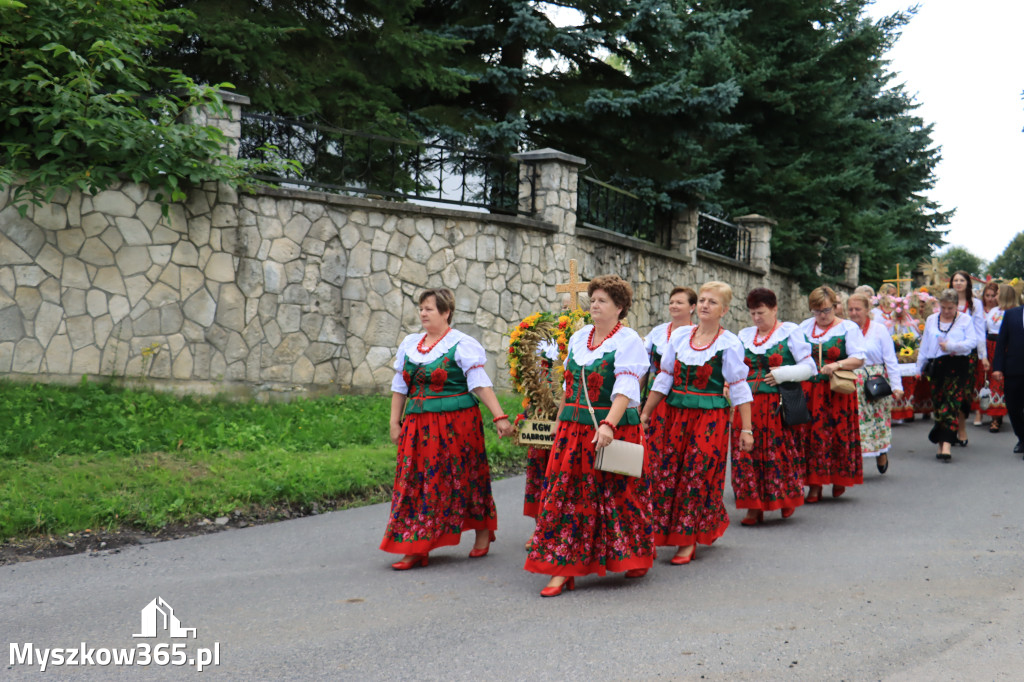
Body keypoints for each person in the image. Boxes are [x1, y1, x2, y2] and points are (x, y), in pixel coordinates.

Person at [525, 275, 654, 597]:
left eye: (602, 301)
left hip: (613, 426)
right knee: (565, 493)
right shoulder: (580, 337)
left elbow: (626, 386)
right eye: (593, 299)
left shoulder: (628, 341)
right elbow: (571, 384)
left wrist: (608, 424)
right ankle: (562, 567)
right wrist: (560, 418)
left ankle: (632, 554)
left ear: (619, 307)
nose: (594, 305)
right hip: (573, 428)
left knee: (620, 494)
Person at [382, 288, 514, 570]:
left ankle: (481, 530)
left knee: (463, 477)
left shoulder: (462, 344)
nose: (423, 313)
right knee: (416, 482)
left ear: (446, 312)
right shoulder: (409, 344)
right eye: (421, 308)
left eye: (429, 308)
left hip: (457, 424)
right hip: (417, 424)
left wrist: (500, 416)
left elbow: (479, 383)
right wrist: (395, 422)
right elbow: (400, 386)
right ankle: (417, 543)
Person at [641, 282, 754, 564]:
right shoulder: (680, 336)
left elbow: (739, 387)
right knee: (666, 471)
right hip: (675, 415)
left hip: (710, 418)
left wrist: (747, 429)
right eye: (702, 300)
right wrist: (645, 413)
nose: (704, 305)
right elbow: (664, 377)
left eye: (712, 302)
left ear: (724, 310)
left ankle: (688, 539)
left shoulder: (729, 343)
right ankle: (662, 533)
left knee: (697, 472)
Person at [730, 287, 816, 524]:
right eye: (753, 313)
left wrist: (784, 373)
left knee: (778, 452)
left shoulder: (791, 333)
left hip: (776, 405)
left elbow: (810, 368)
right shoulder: (744, 335)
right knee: (745, 454)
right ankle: (752, 506)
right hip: (747, 404)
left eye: (761, 312)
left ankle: (784, 499)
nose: (757, 318)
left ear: (774, 309)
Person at [798, 286, 866, 501]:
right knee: (812, 435)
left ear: (835, 307)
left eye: (826, 310)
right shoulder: (804, 328)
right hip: (810, 390)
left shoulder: (848, 328)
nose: (822, 316)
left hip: (836, 390)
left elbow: (859, 358)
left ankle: (838, 477)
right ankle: (814, 485)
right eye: (816, 311)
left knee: (837, 432)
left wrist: (837, 364)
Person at [642, 286, 696, 506]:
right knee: (654, 447)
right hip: (656, 396)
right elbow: (644, 369)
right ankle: (652, 498)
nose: (673, 306)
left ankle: (676, 498)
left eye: (679, 302)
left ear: (692, 307)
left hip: (681, 398)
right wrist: (637, 399)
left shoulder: (697, 334)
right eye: (671, 301)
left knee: (677, 449)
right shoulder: (657, 332)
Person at [916, 288, 976, 461]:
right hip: (937, 366)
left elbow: (971, 343)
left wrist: (952, 346)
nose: (947, 311)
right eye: (943, 307)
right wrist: (920, 366)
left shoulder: (965, 320)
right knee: (939, 404)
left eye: (950, 308)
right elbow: (925, 343)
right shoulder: (931, 320)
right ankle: (941, 442)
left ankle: (947, 444)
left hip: (957, 365)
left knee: (951, 404)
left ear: (956, 306)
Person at [846, 293, 904, 474]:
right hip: (853, 380)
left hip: (875, 380)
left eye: (858, 309)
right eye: (851, 309)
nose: (854, 313)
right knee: (855, 422)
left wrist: (897, 386)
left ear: (867, 310)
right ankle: (856, 461)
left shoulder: (879, 330)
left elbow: (891, 359)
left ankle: (881, 451)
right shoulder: (845, 329)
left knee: (877, 420)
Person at [950, 270, 988, 444]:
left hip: (968, 355)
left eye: (961, 280)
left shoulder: (976, 304)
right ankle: (948, 431)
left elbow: (980, 331)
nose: (958, 283)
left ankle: (962, 427)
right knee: (947, 393)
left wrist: (983, 356)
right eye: (955, 280)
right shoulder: (945, 302)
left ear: (967, 283)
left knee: (963, 393)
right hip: (947, 353)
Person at [991, 291, 1024, 456]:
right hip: (1014, 369)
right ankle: (1022, 437)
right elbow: (1001, 342)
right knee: (1014, 406)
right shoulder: (1011, 315)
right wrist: (997, 367)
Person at [983, 284, 1017, 433]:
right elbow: (986, 328)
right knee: (992, 381)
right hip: (991, 346)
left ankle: (997, 417)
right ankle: (995, 415)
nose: (994, 297)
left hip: (1006, 347)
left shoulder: (1014, 312)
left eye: (997, 294)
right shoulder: (994, 311)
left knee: (1001, 382)